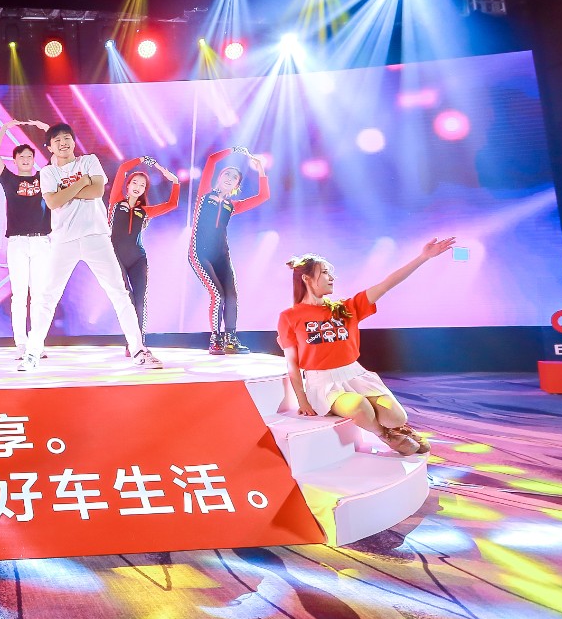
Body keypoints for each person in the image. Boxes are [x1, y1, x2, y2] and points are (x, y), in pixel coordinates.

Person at [277, 239, 456, 455]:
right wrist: (303, 400)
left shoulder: (345, 308)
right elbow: (292, 364)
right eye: (324, 272)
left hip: (355, 374)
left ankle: (398, 427)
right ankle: (386, 435)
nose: (332, 277)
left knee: (397, 416)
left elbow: (386, 285)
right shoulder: (289, 317)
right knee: (359, 406)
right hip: (323, 382)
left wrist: (423, 257)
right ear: (306, 278)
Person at [19, 123, 163, 371]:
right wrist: (80, 183)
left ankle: (138, 349)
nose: (63, 143)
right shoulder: (48, 172)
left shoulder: (89, 161)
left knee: (119, 293)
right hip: (63, 240)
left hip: (96, 237)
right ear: (49, 147)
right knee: (46, 297)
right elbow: (53, 202)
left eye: (67, 138)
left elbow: (96, 191)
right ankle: (32, 353)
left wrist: (67, 191)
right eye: (57, 140)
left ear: (73, 141)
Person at [188, 146, 269, 355]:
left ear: (236, 186)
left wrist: (260, 169)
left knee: (231, 296)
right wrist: (233, 150)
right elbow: (211, 160)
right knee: (218, 295)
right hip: (199, 253)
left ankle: (231, 339)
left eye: (234, 178)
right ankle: (215, 339)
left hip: (222, 256)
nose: (230, 178)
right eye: (227, 174)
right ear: (219, 178)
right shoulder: (204, 194)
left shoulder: (233, 205)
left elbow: (263, 196)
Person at [0, 119, 52, 359]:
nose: (26, 159)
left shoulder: (44, 177)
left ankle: (37, 344)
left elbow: (56, 154)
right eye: (21, 156)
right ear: (14, 160)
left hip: (41, 241)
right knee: (19, 296)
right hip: (17, 242)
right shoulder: (9, 179)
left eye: (29, 156)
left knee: (39, 295)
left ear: (34, 159)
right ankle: (22, 345)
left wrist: (45, 128)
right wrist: (5, 128)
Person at [108, 156, 180, 351]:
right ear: (127, 185)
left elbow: (172, 204)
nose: (138, 187)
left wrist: (174, 181)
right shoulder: (115, 202)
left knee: (140, 300)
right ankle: (132, 341)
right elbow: (123, 168)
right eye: (135, 182)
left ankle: (138, 344)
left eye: (142, 185)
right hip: (115, 258)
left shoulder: (145, 211)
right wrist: (140, 160)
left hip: (138, 259)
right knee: (128, 299)